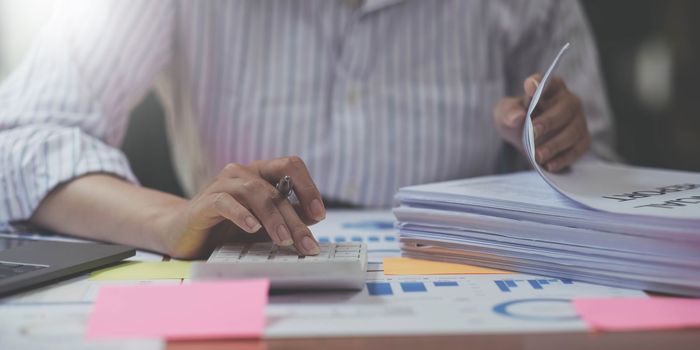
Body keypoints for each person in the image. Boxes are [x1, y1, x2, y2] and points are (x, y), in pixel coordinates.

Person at [0, 0, 615, 258]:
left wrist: (552, 150)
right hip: (235, 305)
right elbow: (22, 139)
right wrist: (171, 220)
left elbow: (607, 183)